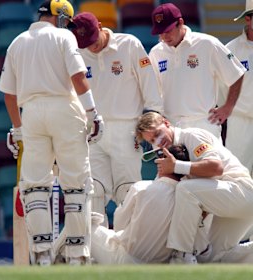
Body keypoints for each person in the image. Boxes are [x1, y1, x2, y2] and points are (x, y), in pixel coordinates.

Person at [0, 0, 103, 266]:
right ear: (58, 17)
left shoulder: (17, 42)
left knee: (34, 186)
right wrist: (93, 114)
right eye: (66, 21)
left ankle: (41, 253)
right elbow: (79, 78)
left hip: (31, 113)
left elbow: (9, 94)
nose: (67, 26)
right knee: (76, 183)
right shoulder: (63, 36)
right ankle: (77, 255)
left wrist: (17, 128)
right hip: (64, 109)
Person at [71, 12, 163, 225]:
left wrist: (152, 122)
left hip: (127, 129)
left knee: (128, 191)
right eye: (85, 42)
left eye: (93, 39)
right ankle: (97, 252)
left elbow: (149, 84)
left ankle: (130, 248)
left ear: (101, 26)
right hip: (93, 131)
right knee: (94, 192)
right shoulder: (77, 52)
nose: (91, 46)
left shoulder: (129, 44)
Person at [135, 112, 253, 264]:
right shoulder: (168, 155)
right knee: (209, 259)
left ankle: (181, 255)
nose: (158, 141)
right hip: (229, 205)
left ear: (166, 123)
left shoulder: (191, 136)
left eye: (158, 133)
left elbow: (216, 168)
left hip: (243, 192)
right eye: (152, 140)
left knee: (185, 189)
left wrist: (176, 166)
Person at [81, 145, 210, 264]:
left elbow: (119, 222)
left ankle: (68, 261)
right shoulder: (188, 201)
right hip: (158, 266)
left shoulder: (141, 187)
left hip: (123, 259)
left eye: (159, 160)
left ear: (162, 164)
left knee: (80, 222)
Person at [149, 3, 246, 139]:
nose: (164, 37)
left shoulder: (207, 43)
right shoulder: (156, 53)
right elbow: (152, 91)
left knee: (209, 161)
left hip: (204, 124)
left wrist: (228, 107)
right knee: (174, 162)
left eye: (168, 30)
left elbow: (237, 73)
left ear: (180, 22)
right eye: (160, 32)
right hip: (172, 127)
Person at [218, 0, 253, 177]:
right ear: (248, 19)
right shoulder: (230, 50)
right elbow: (221, 89)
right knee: (238, 175)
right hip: (240, 121)